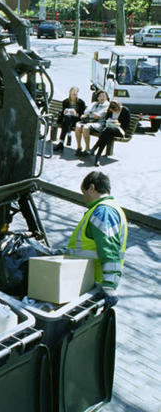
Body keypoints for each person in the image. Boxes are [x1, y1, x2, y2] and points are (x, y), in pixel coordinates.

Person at [66, 172, 128, 307]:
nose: (85, 199)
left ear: (92, 188)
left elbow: (109, 250)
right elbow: (87, 246)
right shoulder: (107, 209)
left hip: (92, 283)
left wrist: (109, 287)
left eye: (84, 193)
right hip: (87, 280)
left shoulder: (104, 212)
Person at [92, 100, 131, 166]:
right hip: (109, 129)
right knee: (107, 132)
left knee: (107, 132)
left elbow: (127, 125)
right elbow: (106, 121)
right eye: (112, 111)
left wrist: (117, 123)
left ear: (118, 107)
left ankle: (96, 149)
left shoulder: (125, 110)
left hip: (120, 131)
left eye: (115, 111)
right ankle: (97, 156)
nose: (114, 112)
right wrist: (109, 121)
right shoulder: (110, 110)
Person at [74, 90, 109, 157]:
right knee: (78, 126)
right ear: (98, 97)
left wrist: (90, 113)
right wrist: (90, 113)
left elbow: (98, 116)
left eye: (104, 96)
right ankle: (79, 147)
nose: (102, 97)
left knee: (86, 127)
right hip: (90, 121)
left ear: (106, 97)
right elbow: (86, 112)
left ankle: (87, 149)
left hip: (99, 123)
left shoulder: (107, 106)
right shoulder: (94, 104)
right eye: (100, 96)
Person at [54, 86, 86, 151]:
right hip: (66, 120)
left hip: (76, 121)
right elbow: (63, 113)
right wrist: (64, 112)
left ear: (77, 93)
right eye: (73, 91)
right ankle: (68, 134)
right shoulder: (65, 101)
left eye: (76, 92)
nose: (74, 93)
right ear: (70, 92)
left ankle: (61, 143)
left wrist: (75, 114)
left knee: (65, 122)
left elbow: (82, 114)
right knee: (67, 118)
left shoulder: (81, 102)